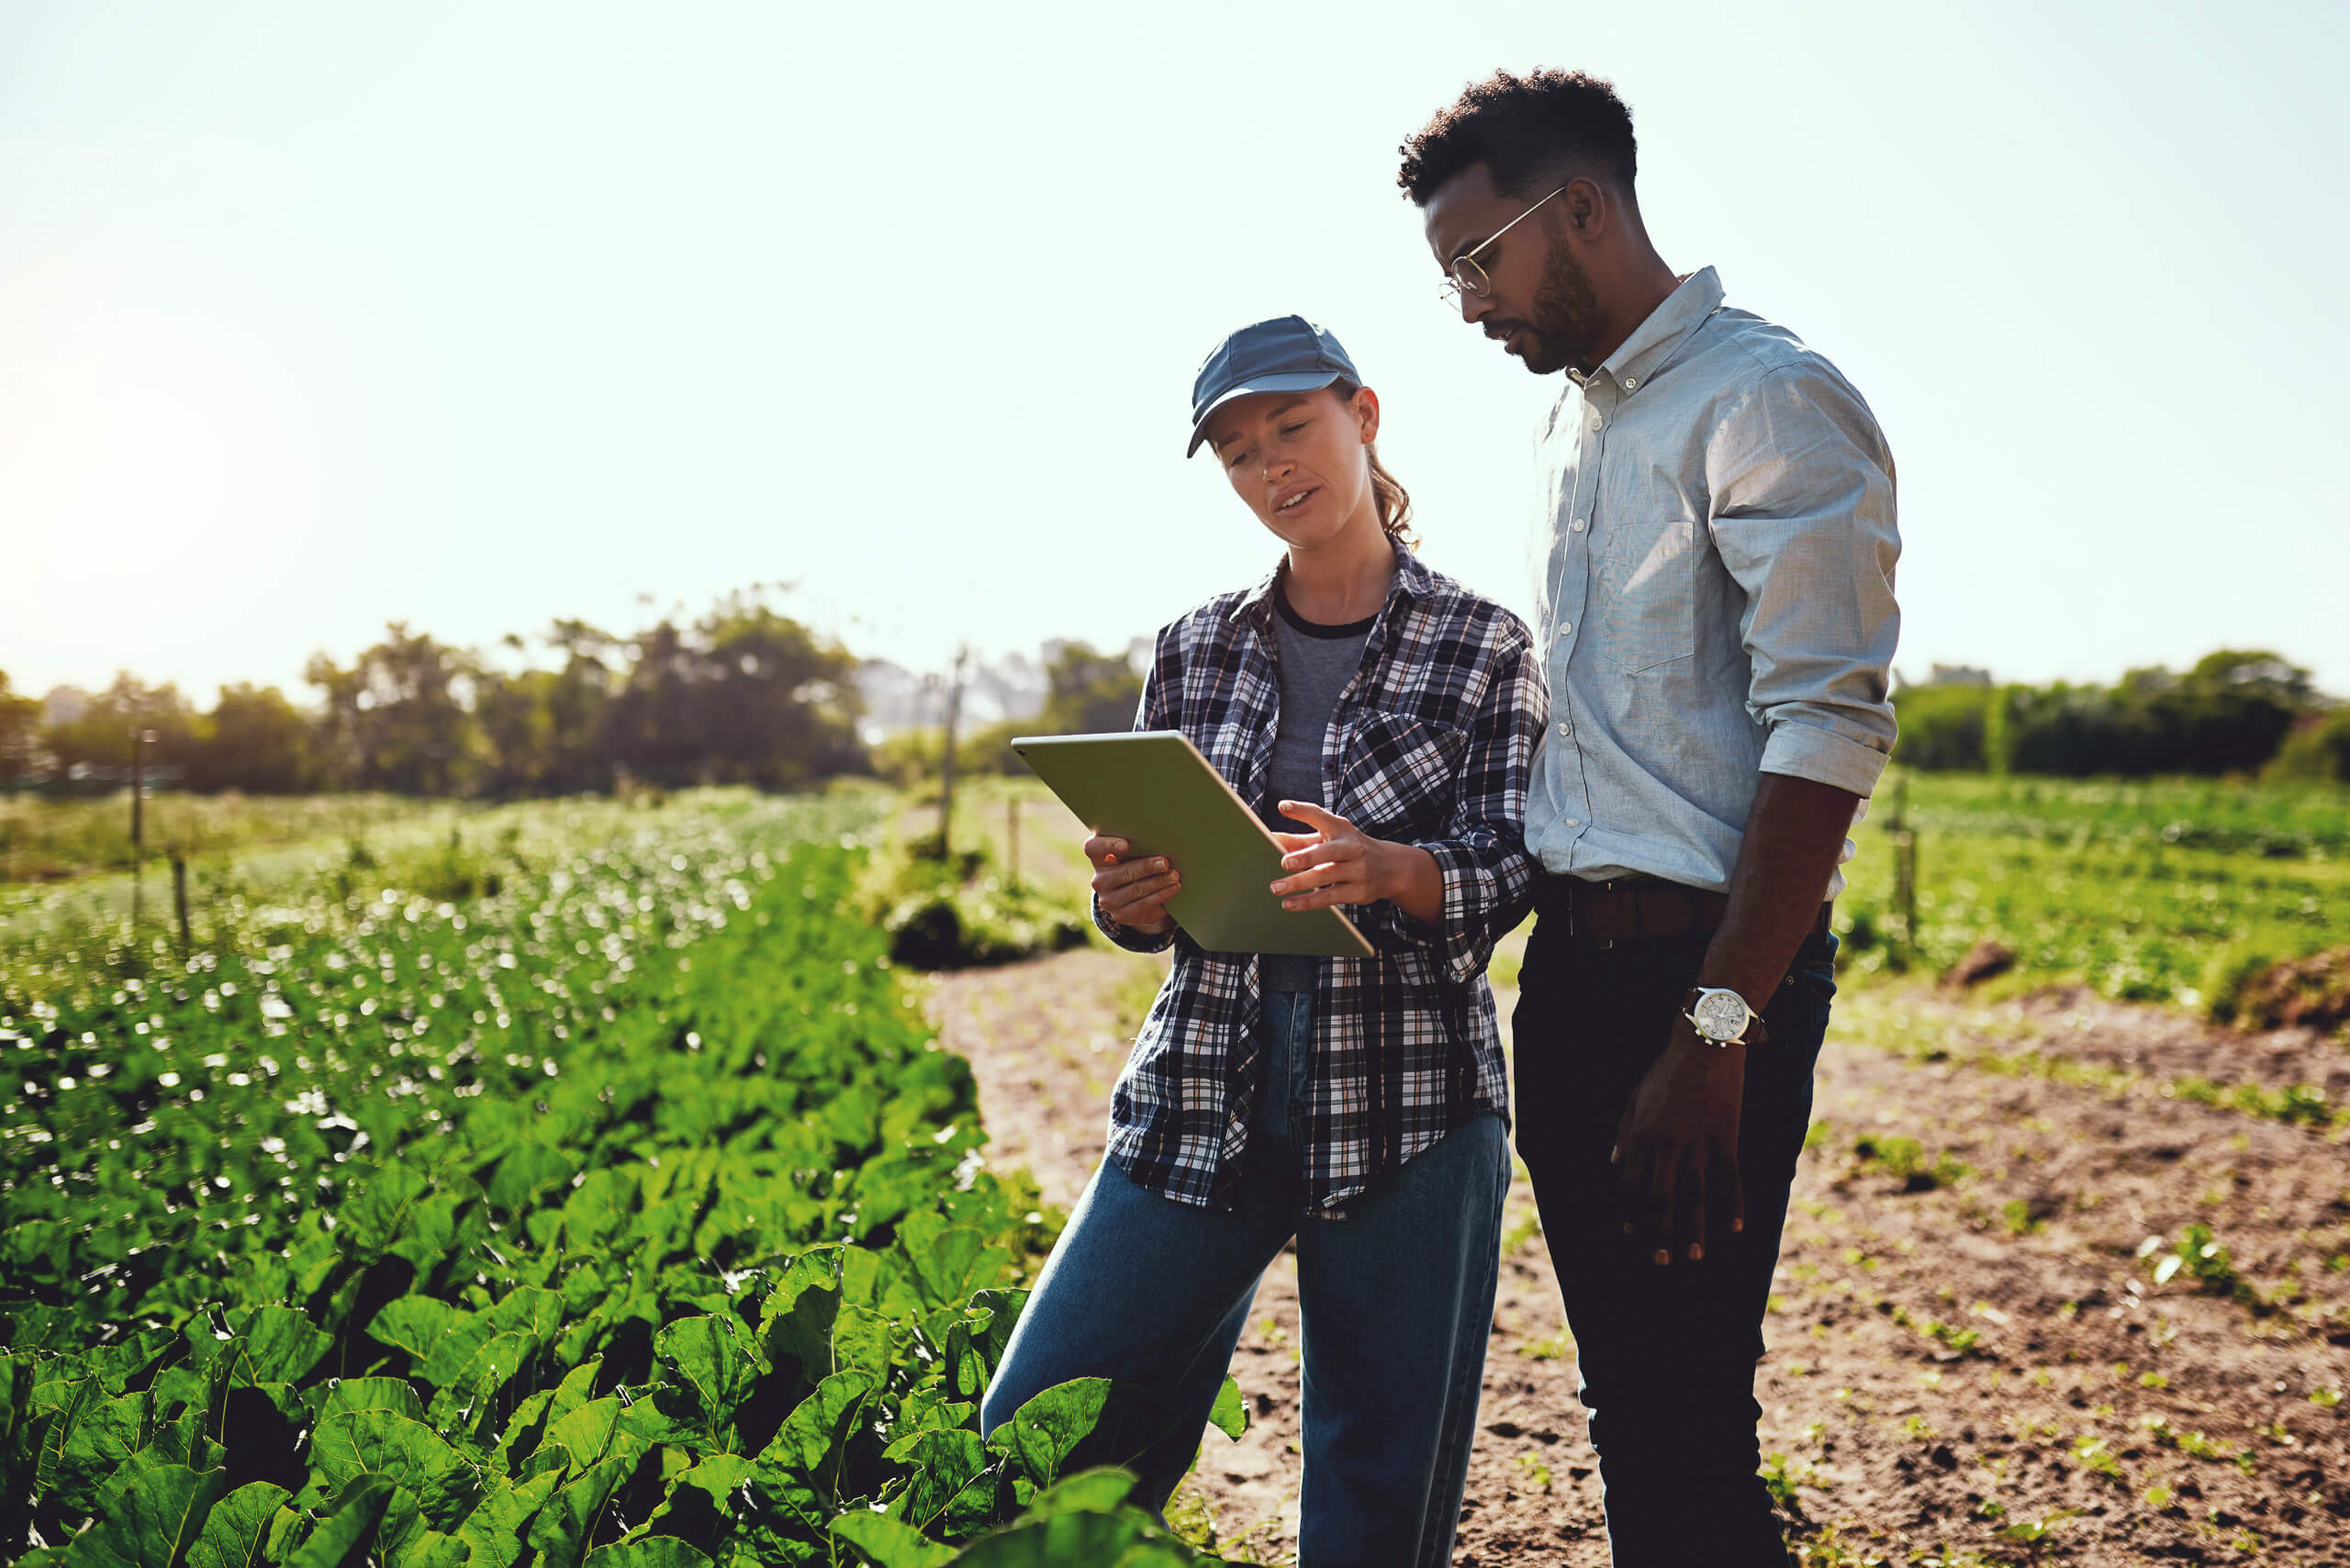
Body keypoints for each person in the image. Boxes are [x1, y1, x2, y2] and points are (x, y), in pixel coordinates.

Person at [1396, 70, 1902, 1567]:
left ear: (1587, 210)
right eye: (1450, 278)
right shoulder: (1576, 428)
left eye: (1479, 261)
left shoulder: (1767, 399)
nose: (1471, 304)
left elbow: (1828, 729)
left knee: (1684, 1423)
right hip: (1573, 976)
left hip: (1702, 991)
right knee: (1637, 1412)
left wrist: (1716, 1034)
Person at [979, 315, 1549, 1566]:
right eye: (1238, 451)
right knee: (1040, 1425)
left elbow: (1516, 863)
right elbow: (1141, 889)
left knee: (1376, 1489)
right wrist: (1126, 899)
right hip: (1202, 1084)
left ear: (1364, 413)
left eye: (1292, 427)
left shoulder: (1486, 644)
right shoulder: (1194, 647)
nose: (1271, 466)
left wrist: (1403, 872)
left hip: (1412, 1103)